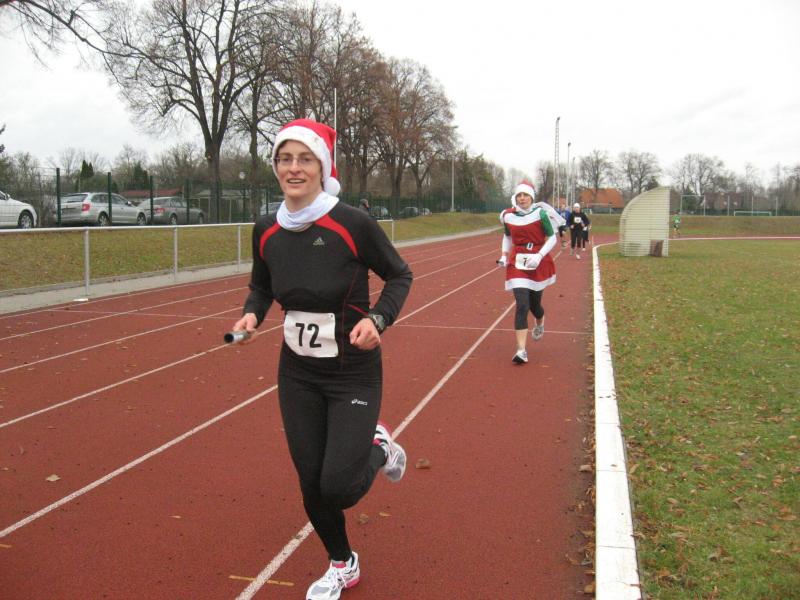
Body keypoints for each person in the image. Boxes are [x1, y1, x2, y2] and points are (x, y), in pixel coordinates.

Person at [230, 118, 413, 600]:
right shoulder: (266, 229)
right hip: (298, 372)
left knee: (339, 487)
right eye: (284, 159)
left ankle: (379, 447)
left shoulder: (352, 224)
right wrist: (252, 314)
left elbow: (400, 275)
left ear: (322, 166)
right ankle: (342, 563)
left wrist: (378, 319)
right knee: (311, 482)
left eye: (305, 159)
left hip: (352, 371)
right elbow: (261, 287)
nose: (294, 168)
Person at [497, 181, 558, 364]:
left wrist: (539, 256)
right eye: (519, 195)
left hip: (537, 259)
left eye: (525, 195)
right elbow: (507, 236)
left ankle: (540, 321)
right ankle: (521, 350)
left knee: (534, 305)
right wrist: (503, 255)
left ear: (531, 197)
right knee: (522, 304)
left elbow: (552, 238)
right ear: (515, 198)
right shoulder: (508, 216)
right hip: (517, 261)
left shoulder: (540, 214)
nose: (522, 198)